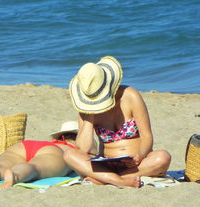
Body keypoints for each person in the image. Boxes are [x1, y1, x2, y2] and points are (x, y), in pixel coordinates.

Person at [63, 56, 171, 188]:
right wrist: (90, 114)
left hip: (136, 164)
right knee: (69, 154)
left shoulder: (130, 96)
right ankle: (119, 181)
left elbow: (147, 136)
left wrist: (141, 155)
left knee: (163, 157)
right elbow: (85, 148)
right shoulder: (85, 109)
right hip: (106, 165)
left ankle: (106, 180)